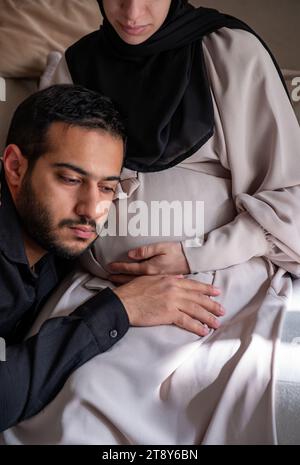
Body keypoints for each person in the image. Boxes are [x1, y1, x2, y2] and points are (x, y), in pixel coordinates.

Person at [5, 0, 300, 445]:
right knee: (76, 401)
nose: (132, 11)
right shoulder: (77, 61)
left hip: (221, 283)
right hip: (102, 286)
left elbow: (290, 195)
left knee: (238, 394)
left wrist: (193, 254)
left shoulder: (229, 50)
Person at [0, 83, 222, 432]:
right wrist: (116, 309)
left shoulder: (59, 241)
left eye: (107, 187)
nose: (91, 210)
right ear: (15, 167)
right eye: (71, 179)